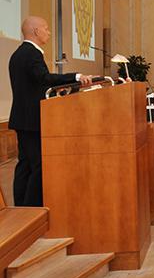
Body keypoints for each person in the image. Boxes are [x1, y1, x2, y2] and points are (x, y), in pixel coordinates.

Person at [9, 16, 93, 206]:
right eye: (46, 28)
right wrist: (77, 76)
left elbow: (34, 84)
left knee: (25, 165)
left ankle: (21, 207)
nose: (49, 32)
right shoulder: (32, 53)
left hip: (22, 118)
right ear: (36, 31)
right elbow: (44, 78)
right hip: (32, 119)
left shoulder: (19, 53)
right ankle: (33, 211)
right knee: (37, 166)